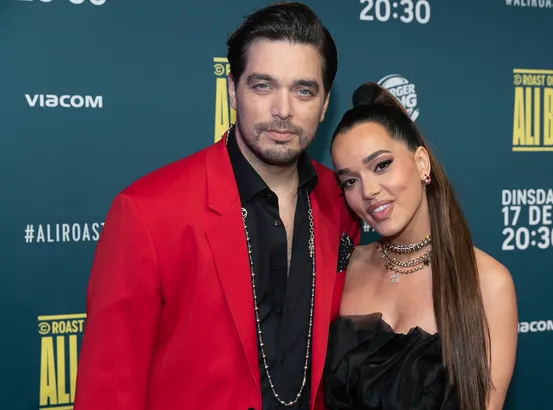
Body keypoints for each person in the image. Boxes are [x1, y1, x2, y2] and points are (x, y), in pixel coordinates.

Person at [73, 3, 360, 410]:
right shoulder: (148, 213)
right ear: (231, 90)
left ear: (325, 103)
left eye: (303, 90)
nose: (283, 109)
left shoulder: (344, 199)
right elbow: (108, 393)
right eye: (263, 86)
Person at [322, 82, 518, 410]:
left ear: (422, 162)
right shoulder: (345, 267)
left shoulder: (488, 283)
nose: (368, 191)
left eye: (381, 165)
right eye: (350, 181)